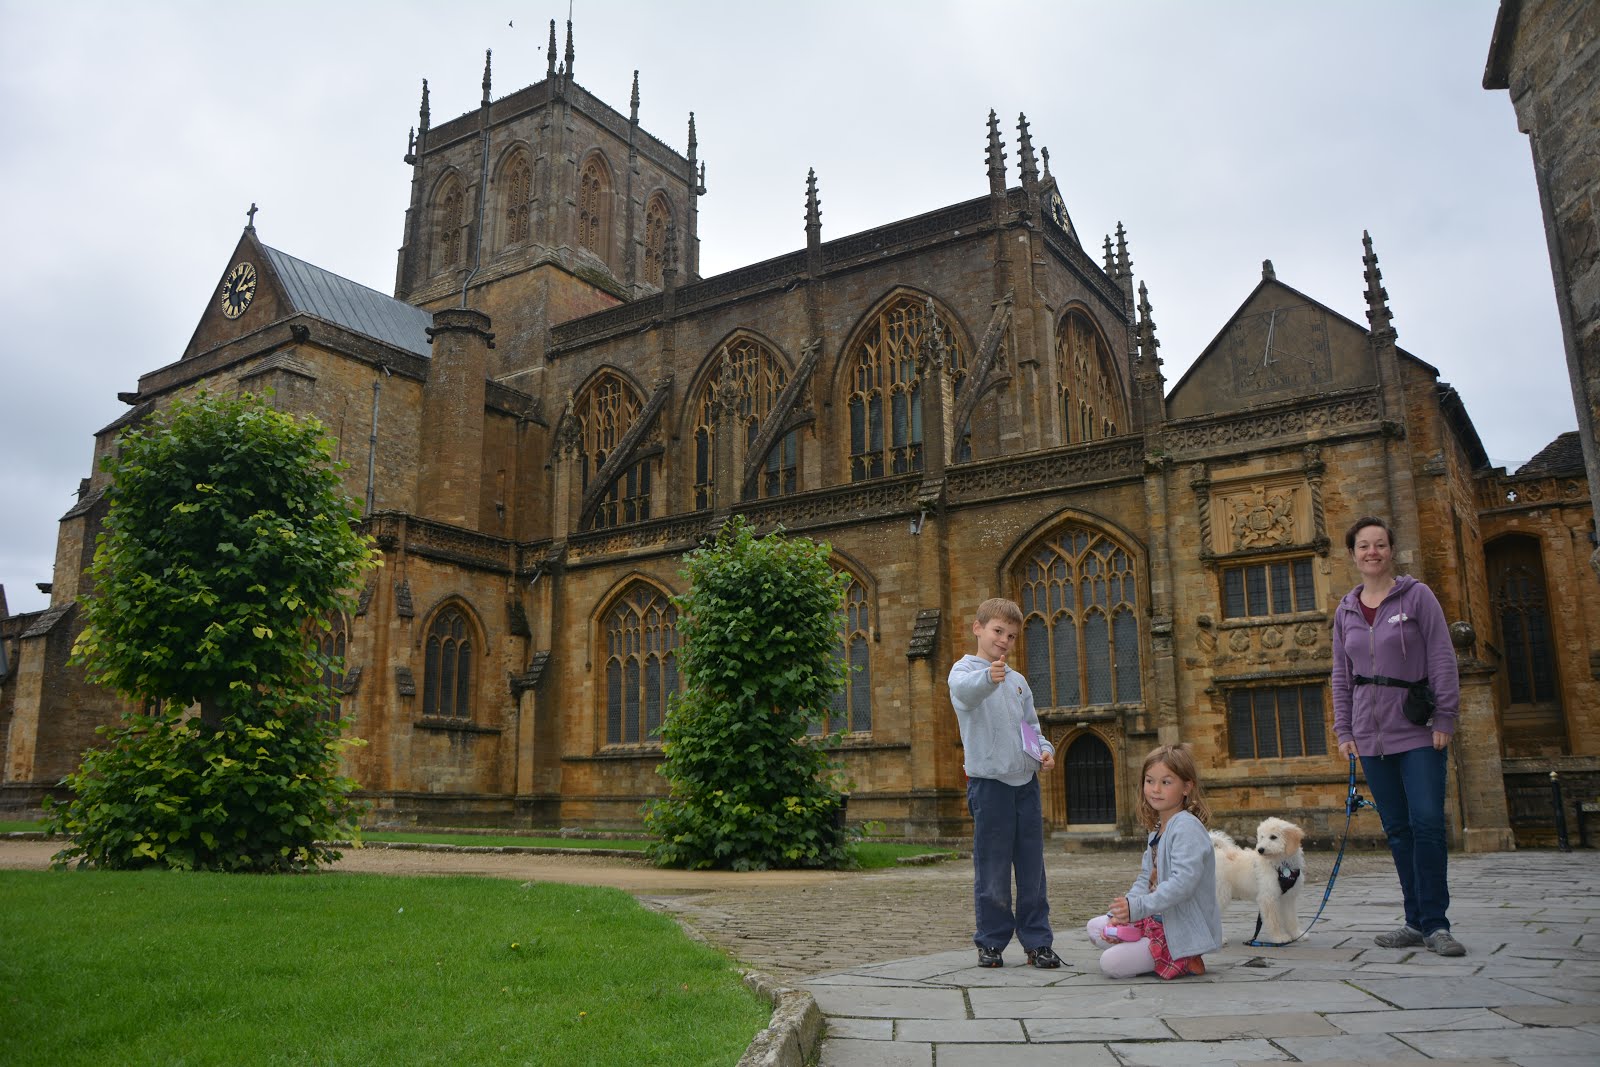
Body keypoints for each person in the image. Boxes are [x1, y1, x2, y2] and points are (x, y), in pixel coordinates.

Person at [1331, 516, 1465, 956]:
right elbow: (1341, 674)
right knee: (1398, 829)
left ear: (1392, 551)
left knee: (1427, 823)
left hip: (1418, 728)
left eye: (1380, 545)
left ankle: (1437, 924)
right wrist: (1343, 728)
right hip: (1370, 736)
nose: (1372, 552)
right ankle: (1413, 921)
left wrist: (1445, 716)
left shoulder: (1418, 596)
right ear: (1352, 554)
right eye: (1364, 546)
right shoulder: (1346, 610)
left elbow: (1443, 656)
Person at [948, 597, 1061, 968]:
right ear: (978, 628)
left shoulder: (1018, 681)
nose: (1004, 640)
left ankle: (1037, 942)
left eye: (1011, 636)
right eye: (998, 631)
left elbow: (1031, 727)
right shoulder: (963, 672)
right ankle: (991, 942)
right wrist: (987, 677)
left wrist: (1044, 751)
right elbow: (965, 695)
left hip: (1025, 785)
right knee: (993, 867)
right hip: (989, 786)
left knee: (1032, 869)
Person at [1086, 743, 1222, 978]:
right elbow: (1145, 880)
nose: (1155, 789)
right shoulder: (1158, 830)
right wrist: (1122, 913)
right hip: (1156, 917)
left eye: (1166, 782)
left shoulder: (1187, 827)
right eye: (1150, 781)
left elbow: (1183, 885)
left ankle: (1186, 956)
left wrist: (1137, 909)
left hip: (1180, 927)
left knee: (1111, 964)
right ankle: (1145, 942)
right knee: (1096, 927)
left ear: (1186, 787)